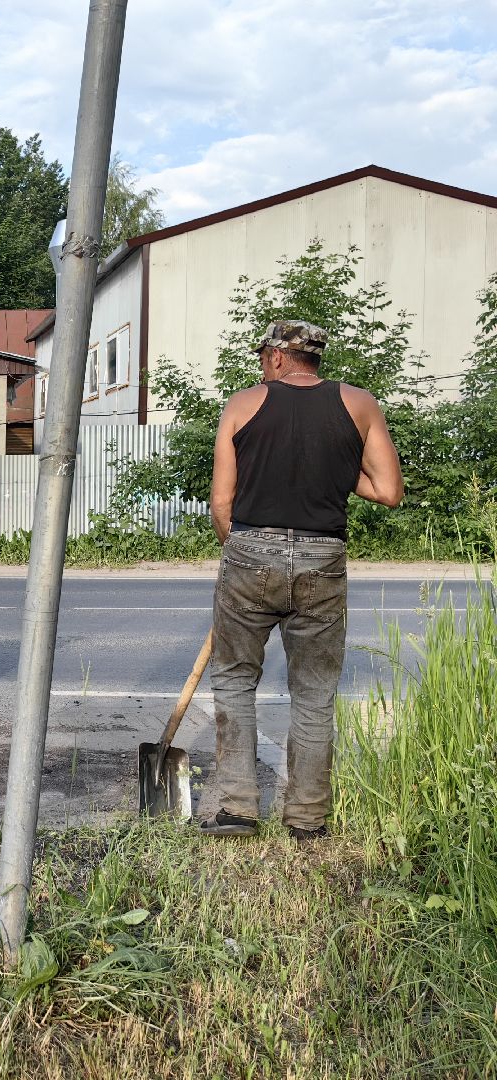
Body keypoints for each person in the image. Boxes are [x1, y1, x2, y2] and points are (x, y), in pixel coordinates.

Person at [203, 320, 404, 841]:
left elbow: (221, 503)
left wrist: (238, 552)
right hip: (322, 556)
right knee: (314, 693)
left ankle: (237, 810)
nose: (261, 367)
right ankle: (308, 820)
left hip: (250, 551)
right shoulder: (359, 403)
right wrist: (336, 465)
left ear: (276, 356)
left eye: (262, 358)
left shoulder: (242, 405)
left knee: (234, 680)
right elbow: (388, 491)